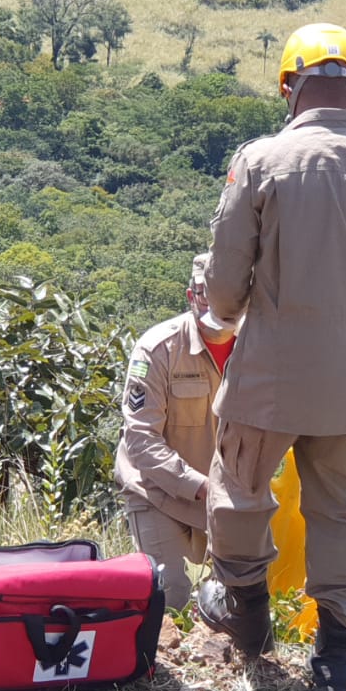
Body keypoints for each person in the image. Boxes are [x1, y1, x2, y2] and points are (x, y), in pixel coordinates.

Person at [197, 22, 346, 691]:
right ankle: (335, 660)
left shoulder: (262, 161)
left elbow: (224, 289)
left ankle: (248, 620)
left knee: (240, 491)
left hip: (271, 376)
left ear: (288, 87)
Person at [114, 253, 238, 609]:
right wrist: (201, 486)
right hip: (157, 489)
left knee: (237, 599)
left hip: (224, 497)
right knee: (171, 596)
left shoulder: (256, 349)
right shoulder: (157, 349)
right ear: (190, 296)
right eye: (203, 293)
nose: (213, 302)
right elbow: (141, 440)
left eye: (223, 293)